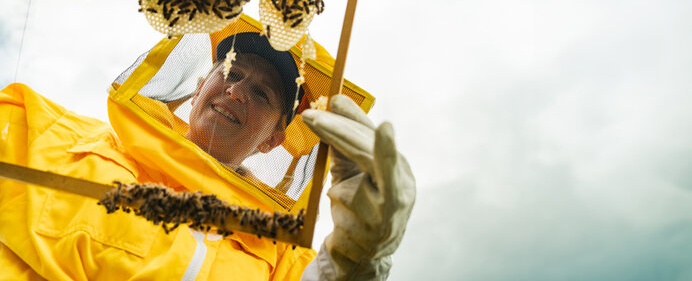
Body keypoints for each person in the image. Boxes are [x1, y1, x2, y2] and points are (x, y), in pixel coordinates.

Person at [0, 31, 415, 280]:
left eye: (260, 93)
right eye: (232, 74)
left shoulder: (280, 255)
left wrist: (362, 253)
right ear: (199, 89)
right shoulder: (62, 134)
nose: (236, 91)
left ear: (274, 138)